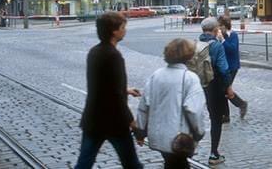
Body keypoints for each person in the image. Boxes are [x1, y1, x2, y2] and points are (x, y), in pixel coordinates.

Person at [74, 12, 143, 169]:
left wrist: (125, 89)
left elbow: (102, 86)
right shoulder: (114, 56)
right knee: (132, 164)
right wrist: (133, 125)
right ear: (114, 31)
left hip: (93, 119)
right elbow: (116, 97)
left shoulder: (94, 52)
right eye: (123, 27)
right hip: (114, 122)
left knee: (84, 163)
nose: (125, 30)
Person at [135, 39, 206, 168]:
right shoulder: (190, 78)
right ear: (188, 55)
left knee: (172, 163)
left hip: (158, 135)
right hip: (178, 139)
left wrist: (140, 131)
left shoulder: (156, 75)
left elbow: (144, 106)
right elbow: (194, 110)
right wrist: (199, 132)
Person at [199, 17, 236, 165]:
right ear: (215, 30)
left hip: (202, 85)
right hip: (216, 85)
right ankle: (214, 154)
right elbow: (223, 68)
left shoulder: (196, 43)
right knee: (216, 120)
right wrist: (228, 87)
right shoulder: (216, 45)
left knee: (208, 114)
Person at [218, 17, 249, 121]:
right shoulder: (219, 36)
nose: (219, 29)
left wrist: (222, 40)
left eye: (220, 26)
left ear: (225, 26)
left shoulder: (233, 35)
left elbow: (232, 50)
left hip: (232, 66)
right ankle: (226, 115)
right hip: (223, 66)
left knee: (225, 90)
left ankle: (241, 104)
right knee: (224, 91)